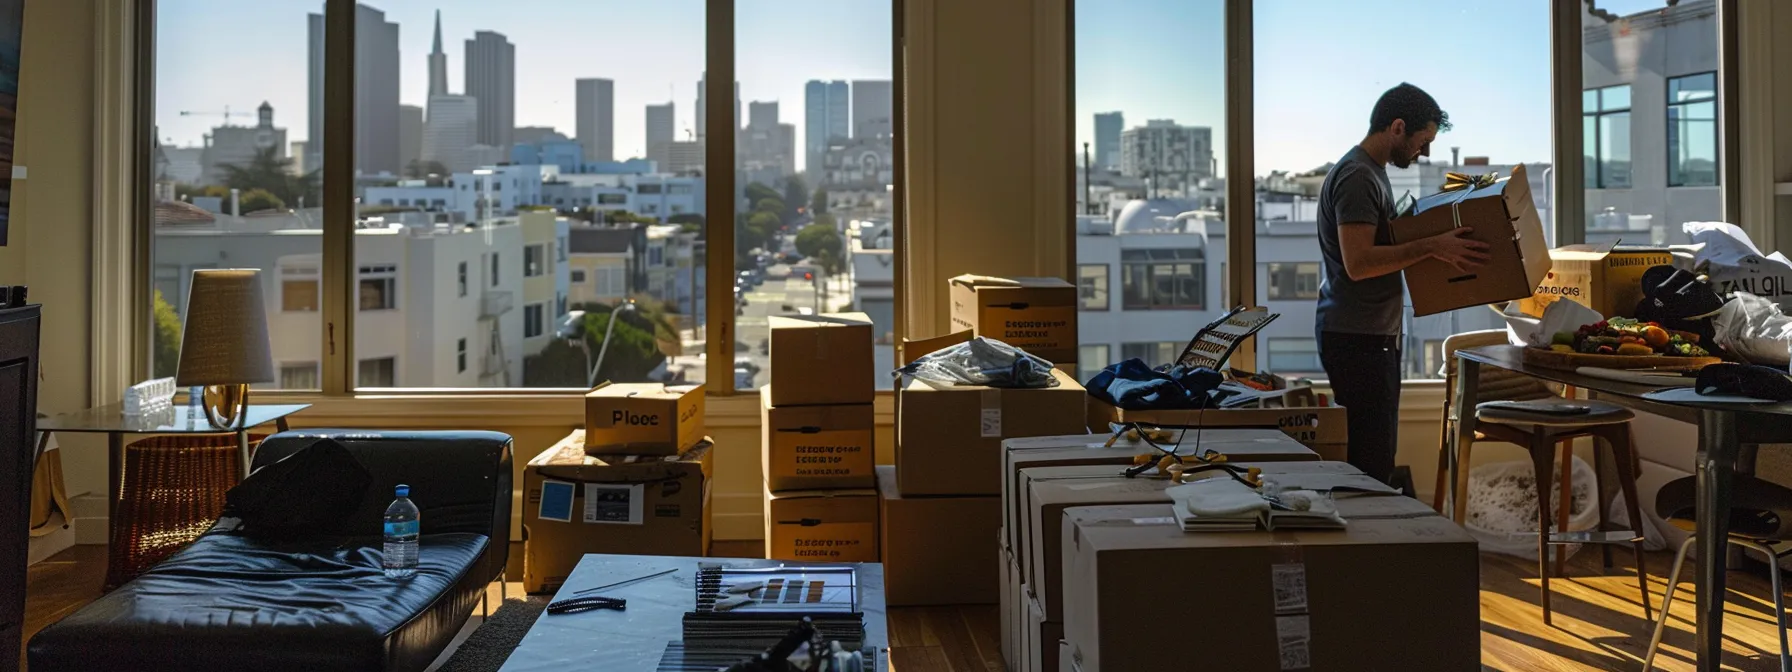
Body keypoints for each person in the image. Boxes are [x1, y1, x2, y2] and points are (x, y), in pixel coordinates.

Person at [1315, 82, 1490, 484]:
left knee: (1376, 454)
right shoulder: (1358, 177)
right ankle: (1371, 545)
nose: (1424, 152)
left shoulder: (1372, 172)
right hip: (1356, 337)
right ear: (1397, 128)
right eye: (1422, 140)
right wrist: (1432, 246)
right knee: (1371, 462)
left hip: (1368, 333)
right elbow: (1358, 264)